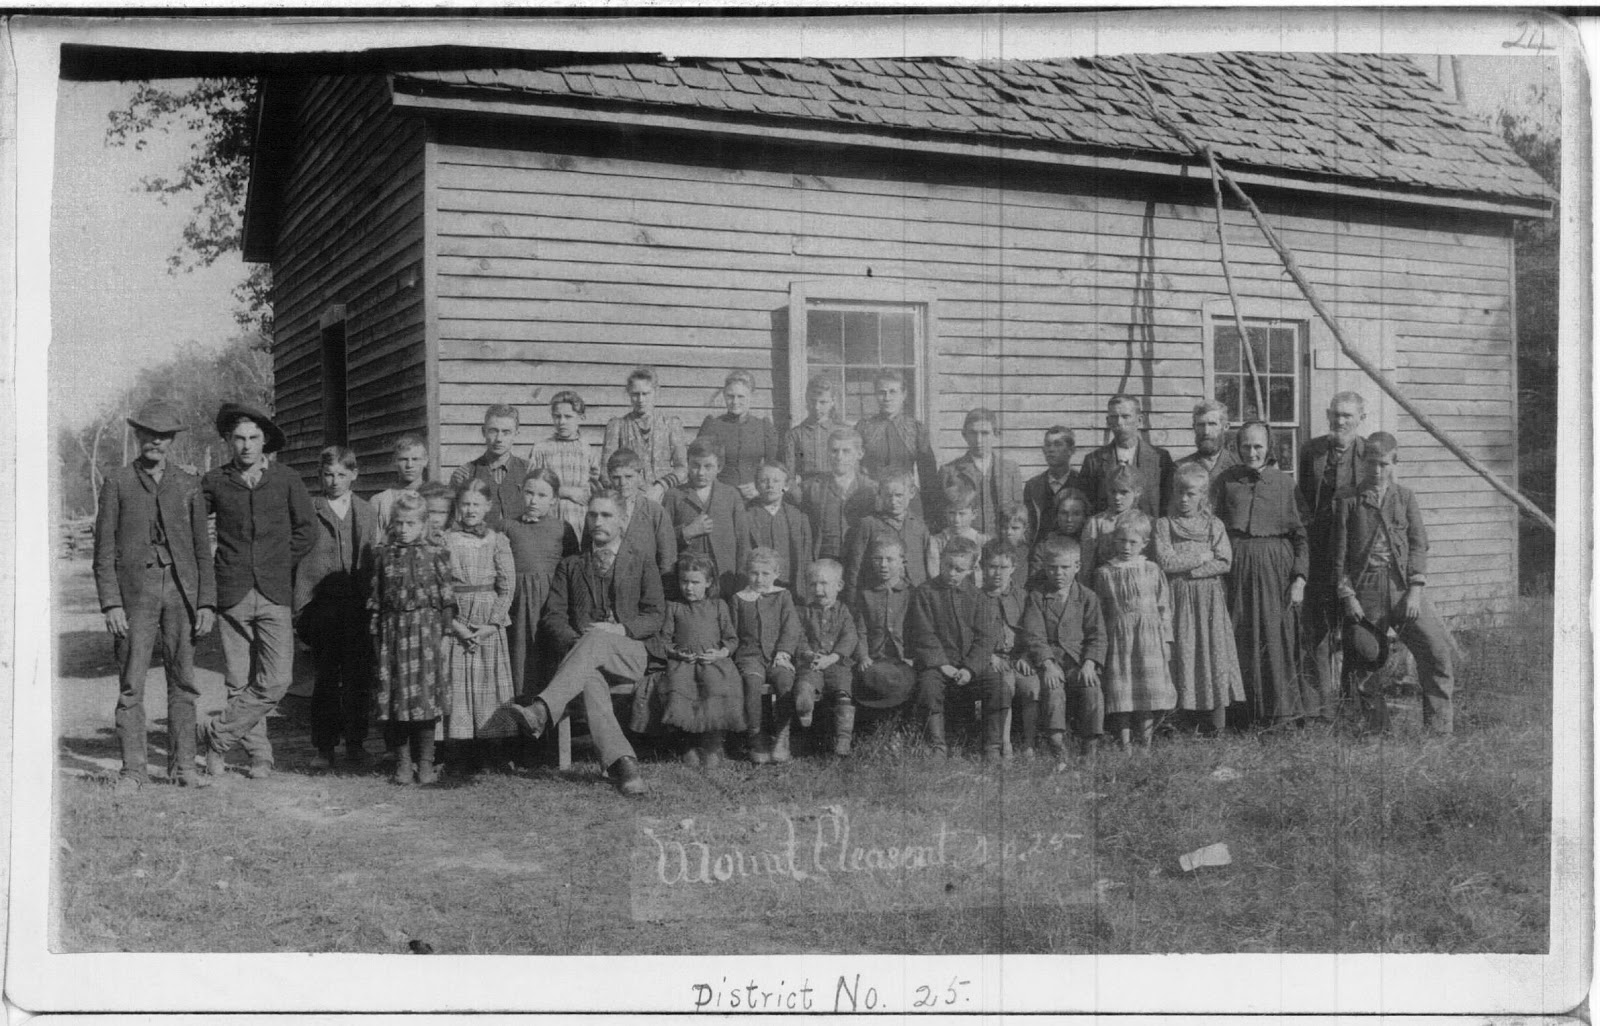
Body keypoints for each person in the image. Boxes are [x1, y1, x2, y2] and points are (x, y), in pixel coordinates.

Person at [92, 401, 216, 790]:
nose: (156, 442)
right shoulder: (118, 482)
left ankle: (184, 768)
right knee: (132, 682)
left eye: (163, 436)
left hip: (181, 592)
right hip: (135, 594)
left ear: (172, 440)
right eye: (149, 434)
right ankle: (133, 770)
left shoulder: (188, 484)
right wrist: (111, 603)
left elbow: (202, 550)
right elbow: (103, 551)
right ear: (138, 436)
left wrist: (206, 602)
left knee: (184, 680)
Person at [513, 491, 661, 796]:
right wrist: (578, 644)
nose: (598, 521)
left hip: (630, 654)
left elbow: (655, 615)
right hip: (584, 660)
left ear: (622, 521)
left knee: (597, 639)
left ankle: (542, 709)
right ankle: (625, 766)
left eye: (606, 515)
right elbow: (553, 618)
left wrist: (620, 629)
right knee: (590, 678)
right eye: (592, 515)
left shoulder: (642, 560)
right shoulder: (571, 565)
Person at [199, 402, 316, 782]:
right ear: (228, 441)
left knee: (277, 679)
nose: (246, 445)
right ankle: (259, 757)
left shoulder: (286, 479)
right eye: (239, 438)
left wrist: (280, 562)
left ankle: (217, 736)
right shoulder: (215, 481)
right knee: (238, 681)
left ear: (265, 441)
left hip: (274, 592)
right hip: (232, 591)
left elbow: (307, 530)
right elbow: (192, 524)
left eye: (253, 438)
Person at [1332, 432, 1455, 735]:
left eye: (1384, 464)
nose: (1377, 470)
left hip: (1403, 588)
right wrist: (1348, 596)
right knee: (1365, 655)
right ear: (1363, 462)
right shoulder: (1348, 500)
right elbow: (1339, 556)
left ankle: (1438, 732)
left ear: (1394, 462)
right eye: (1372, 463)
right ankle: (1377, 732)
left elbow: (1418, 544)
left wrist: (1415, 590)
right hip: (1365, 588)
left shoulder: (1404, 497)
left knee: (1436, 649)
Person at [1215, 421, 1309, 728]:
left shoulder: (1285, 484)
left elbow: (1301, 536)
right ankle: (1242, 715)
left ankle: (1280, 714)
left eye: (1258, 446)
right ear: (1237, 447)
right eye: (1246, 446)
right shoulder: (1226, 481)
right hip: (1237, 567)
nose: (1252, 452)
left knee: (1275, 635)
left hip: (1275, 569)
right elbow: (1214, 526)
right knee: (1239, 633)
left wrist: (1299, 578)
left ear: (1269, 448)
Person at [294, 446, 380, 771]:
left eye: (342, 474)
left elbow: (372, 557)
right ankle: (325, 747)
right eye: (328, 474)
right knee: (326, 678)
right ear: (320, 476)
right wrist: (301, 609)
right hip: (323, 606)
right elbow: (299, 560)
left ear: (354, 475)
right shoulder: (310, 509)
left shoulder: (366, 510)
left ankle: (356, 744)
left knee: (359, 677)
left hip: (358, 606)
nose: (334, 481)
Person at [369, 493, 456, 785]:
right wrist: (376, 634)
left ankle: (426, 763)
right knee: (397, 700)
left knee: (425, 699)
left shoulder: (436, 554)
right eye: (399, 523)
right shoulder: (383, 556)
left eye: (410, 523)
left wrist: (445, 635)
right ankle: (403, 763)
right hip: (393, 633)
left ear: (423, 524)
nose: (404, 529)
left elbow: (447, 599)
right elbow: (376, 599)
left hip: (426, 633)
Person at [1155, 462, 1245, 735]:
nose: (1184, 499)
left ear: (1203, 496)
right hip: (1177, 598)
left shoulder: (1213, 525)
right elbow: (1166, 562)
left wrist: (1191, 571)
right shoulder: (1164, 525)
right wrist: (1202, 557)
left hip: (1208, 601)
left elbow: (1224, 561)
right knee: (1182, 652)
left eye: (1191, 494)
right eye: (1179, 492)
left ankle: (1215, 723)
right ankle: (1179, 721)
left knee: (1211, 652)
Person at [1298, 391, 1371, 724]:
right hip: (1319, 553)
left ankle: (1353, 705)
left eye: (1347, 416)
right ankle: (1322, 709)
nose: (1340, 421)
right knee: (1319, 630)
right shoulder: (1311, 451)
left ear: (1360, 419)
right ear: (1328, 415)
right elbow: (1302, 500)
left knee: (1355, 630)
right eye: (1336, 414)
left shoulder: (1370, 454)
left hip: (1355, 556)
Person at [439, 478, 517, 775]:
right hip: (457, 617)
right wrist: (456, 626)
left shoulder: (497, 540)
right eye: (465, 504)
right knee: (457, 685)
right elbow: (440, 587)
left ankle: (491, 752)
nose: (470, 510)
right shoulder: (446, 540)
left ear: (487, 507)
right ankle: (458, 754)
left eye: (476, 504)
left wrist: (492, 624)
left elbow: (507, 586)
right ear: (457, 507)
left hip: (487, 619)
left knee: (488, 686)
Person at [907, 535, 1006, 759]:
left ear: (971, 569)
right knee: (928, 686)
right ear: (941, 561)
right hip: (938, 666)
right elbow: (923, 634)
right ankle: (937, 746)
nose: (952, 573)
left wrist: (970, 669)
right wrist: (943, 665)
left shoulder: (978, 597)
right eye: (948, 566)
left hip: (970, 667)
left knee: (998, 686)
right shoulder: (925, 593)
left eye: (959, 569)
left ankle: (991, 746)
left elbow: (985, 638)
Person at [1093, 513, 1175, 750]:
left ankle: (1146, 743)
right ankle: (1125, 743)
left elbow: (1164, 606)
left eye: (1133, 542)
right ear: (1114, 540)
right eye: (1121, 541)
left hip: (1149, 639)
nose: (1126, 547)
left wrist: (1167, 640)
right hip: (1119, 638)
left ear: (1145, 543)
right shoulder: (1105, 572)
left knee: (1147, 690)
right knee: (1123, 690)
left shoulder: (1151, 569)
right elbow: (1100, 610)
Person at [1020, 536, 1106, 760]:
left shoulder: (1087, 597)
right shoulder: (1037, 597)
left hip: (1078, 662)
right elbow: (1034, 635)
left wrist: (1090, 663)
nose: (1058, 573)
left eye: (1065, 567)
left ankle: (1090, 748)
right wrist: (1048, 664)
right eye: (1052, 567)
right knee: (1053, 690)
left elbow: (1097, 636)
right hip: (1051, 662)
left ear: (1077, 566)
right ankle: (1057, 747)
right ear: (1044, 567)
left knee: (1092, 688)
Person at [659, 553, 742, 768]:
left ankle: (713, 744)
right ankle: (686, 745)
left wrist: (720, 653)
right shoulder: (674, 607)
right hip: (683, 663)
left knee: (717, 687)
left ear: (708, 582)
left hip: (713, 662)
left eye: (695, 582)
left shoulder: (718, 606)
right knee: (679, 689)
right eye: (684, 581)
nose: (688, 588)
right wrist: (677, 653)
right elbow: (664, 640)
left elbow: (732, 639)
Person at [503, 469, 579, 697]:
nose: (533, 500)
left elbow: (572, 570)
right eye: (529, 493)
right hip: (518, 603)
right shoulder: (507, 526)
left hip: (549, 602)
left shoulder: (562, 528)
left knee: (549, 654)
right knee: (519, 653)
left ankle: (549, 709)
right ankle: (519, 705)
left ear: (554, 499)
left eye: (542, 495)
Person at [732, 547, 802, 763]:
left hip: (777, 655)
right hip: (749, 655)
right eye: (754, 573)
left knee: (785, 681)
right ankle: (756, 736)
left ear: (776, 573)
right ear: (747, 572)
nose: (759, 579)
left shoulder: (782, 596)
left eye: (765, 573)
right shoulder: (739, 598)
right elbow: (732, 632)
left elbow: (791, 627)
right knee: (752, 683)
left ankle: (782, 736)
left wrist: (784, 652)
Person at [663, 438, 745, 598]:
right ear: (687, 464)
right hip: (688, 582)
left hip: (724, 579)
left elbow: (743, 542)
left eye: (708, 466)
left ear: (719, 467)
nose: (700, 472)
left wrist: (741, 581)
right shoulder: (674, 496)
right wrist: (686, 533)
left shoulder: (731, 495)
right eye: (695, 465)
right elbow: (662, 541)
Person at [795, 558, 860, 756]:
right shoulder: (804, 611)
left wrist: (833, 657)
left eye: (824, 583)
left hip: (836, 663)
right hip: (811, 662)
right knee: (807, 681)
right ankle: (805, 706)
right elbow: (798, 636)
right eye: (813, 584)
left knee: (842, 691)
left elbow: (850, 636)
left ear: (839, 585)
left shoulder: (843, 611)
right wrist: (808, 654)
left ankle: (843, 738)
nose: (818, 589)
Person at [857, 370, 939, 519]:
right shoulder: (864, 428)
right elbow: (855, 468)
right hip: (872, 501)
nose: (887, 398)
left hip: (907, 502)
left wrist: (931, 514)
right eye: (882, 392)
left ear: (904, 394)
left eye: (893, 392)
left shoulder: (915, 429)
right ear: (875, 395)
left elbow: (928, 476)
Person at [1077, 394, 1175, 518]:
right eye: (1114, 417)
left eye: (1125, 416)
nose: (1119, 422)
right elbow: (1086, 506)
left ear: (1139, 420)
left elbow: (1169, 504)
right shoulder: (1093, 461)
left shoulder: (1160, 459)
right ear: (1108, 421)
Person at [850, 538, 917, 718]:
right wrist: (863, 655)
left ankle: (901, 720)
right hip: (875, 656)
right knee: (872, 676)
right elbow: (860, 630)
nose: (883, 565)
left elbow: (918, 629)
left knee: (906, 677)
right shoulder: (865, 594)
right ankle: (876, 722)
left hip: (903, 657)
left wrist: (912, 657)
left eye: (890, 559)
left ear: (902, 562)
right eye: (878, 559)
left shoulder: (911, 593)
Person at [602, 366, 688, 504]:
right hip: (629, 500)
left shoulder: (671, 424)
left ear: (656, 392)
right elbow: (606, 471)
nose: (640, 399)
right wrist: (630, 490)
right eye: (635, 394)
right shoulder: (617, 426)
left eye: (646, 394)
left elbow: (683, 467)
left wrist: (660, 487)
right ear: (628, 393)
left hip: (664, 498)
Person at [842, 470, 931, 603]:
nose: (893, 501)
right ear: (880, 495)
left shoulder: (919, 527)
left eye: (899, 495)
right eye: (888, 496)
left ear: (911, 493)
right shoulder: (868, 525)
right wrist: (851, 601)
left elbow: (927, 565)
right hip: (879, 597)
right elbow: (854, 567)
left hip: (913, 597)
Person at [527, 390, 604, 539]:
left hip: (580, 522)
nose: (562, 422)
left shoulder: (587, 451)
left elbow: (595, 490)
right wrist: (565, 491)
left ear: (581, 417)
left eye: (568, 417)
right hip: (548, 522)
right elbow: (530, 487)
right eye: (557, 416)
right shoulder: (541, 449)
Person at [978, 539, 1030, 759]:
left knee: (1030, 685)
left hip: (1019, 658)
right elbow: (970, 635)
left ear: (1014, 568)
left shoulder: (1023, 597)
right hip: (993, 659)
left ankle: (1029, 742)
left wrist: (1026, 656)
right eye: (992, 567)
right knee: (1004, 684)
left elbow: (1032, 630)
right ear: (982, 567)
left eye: (1003, 567)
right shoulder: (976, 597)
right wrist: (988, 656)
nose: (997, 573)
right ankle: (1004, 743)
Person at [936, 407, 1024, 535]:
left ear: (996, 434)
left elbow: (1019, 513)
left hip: (1001, 541)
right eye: (973, 433)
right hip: (964, 544)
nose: (978, 440)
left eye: (985, 433)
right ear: (964, 435)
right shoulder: (949, 471)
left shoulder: (1010, 470)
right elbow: (939, 517)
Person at [696, 369, 780, 499]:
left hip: (754, 497)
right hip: (719, 496)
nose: (735, 402)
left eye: (741, 396)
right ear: (724, 396)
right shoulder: (712, 426)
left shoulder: (764, 427)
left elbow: (774, 467)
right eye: (730, 396)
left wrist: (758, 487)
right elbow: (700, 464)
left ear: (751, 396)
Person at [800, 427, 877, 563]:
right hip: (824, 561)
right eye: (834, 451)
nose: (839, 457)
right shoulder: (811, 487)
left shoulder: (872, 489)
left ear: (860, 454)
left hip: (861, 561)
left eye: (846, 451)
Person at [736, 460, 813, 595]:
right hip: (758, 587)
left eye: (776, 481)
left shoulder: (799, 517)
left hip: (790, 588)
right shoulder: (746, 516)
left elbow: (806, 558)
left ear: (786, 486)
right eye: (764, 481)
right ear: (756, 486)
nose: (770, 485)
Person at [450, 403, 527, 530]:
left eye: (506, 432)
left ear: (516, 434)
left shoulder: (528, 470)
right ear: (483, 431)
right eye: (493, 431)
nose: (499, 438)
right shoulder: (466, 473)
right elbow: (453, 520)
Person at [604, 447, 677, 582]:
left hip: (645, 583)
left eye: (629, 477)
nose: (622, 483)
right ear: (609, 477)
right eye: (616, 478)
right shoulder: (601, 509)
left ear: (640, 475)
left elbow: (667, 558)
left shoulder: (655, 512)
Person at [1080, 466, 1148, 587]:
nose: (1117, 497)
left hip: (1138, 584)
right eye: (1113, 491)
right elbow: (1086, 565)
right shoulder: (1096, 523)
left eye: (1124, 492)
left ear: (1137, 492)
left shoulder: (1145, 522)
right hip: (1105, 584)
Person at [783, 374, 847, 486]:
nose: (817, 407)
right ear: (807, 400)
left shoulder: (843, 432)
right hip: (805, 489)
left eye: (823, 402)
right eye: (813, 401)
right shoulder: (794, 435)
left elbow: (852, 468)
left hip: (837, 487)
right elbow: (789, 473)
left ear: (832, 402)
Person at [1023, 426, 1081, 544]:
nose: (1051, 450)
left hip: (1073, 550)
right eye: (1048, 445)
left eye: (1058, 444)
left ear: (1071, 450)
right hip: (1040, 551)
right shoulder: (1033, 486)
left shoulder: (1083, 483)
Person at [1027, 487, 1089, 591]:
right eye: (1064, 513)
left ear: (1084, 516)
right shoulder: (1045, 546)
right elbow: (1035, 581)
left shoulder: (1090, 543)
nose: (1069, 519)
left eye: (1076, 514)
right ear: (1056, 515)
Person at [926, 482, 986, 584]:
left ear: (974, 514)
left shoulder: (981, 540)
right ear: (945, 512)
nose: (956, 520)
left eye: (962, 514)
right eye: (952, 513)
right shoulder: (937, 541)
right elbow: (934, 573)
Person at [371, 433, 429, 532]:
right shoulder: (380, 501)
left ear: (425, 461)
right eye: (403, 459)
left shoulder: (433, 498)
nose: (409, 465)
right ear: (395, 461)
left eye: (415, 459)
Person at [1176, 400, 1241, 485]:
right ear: (1194, 427)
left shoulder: (1239, 466)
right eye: (1201, 425)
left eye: (1212, 424)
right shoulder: (1180, 468)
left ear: (1225, 427)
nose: (1206, 431)